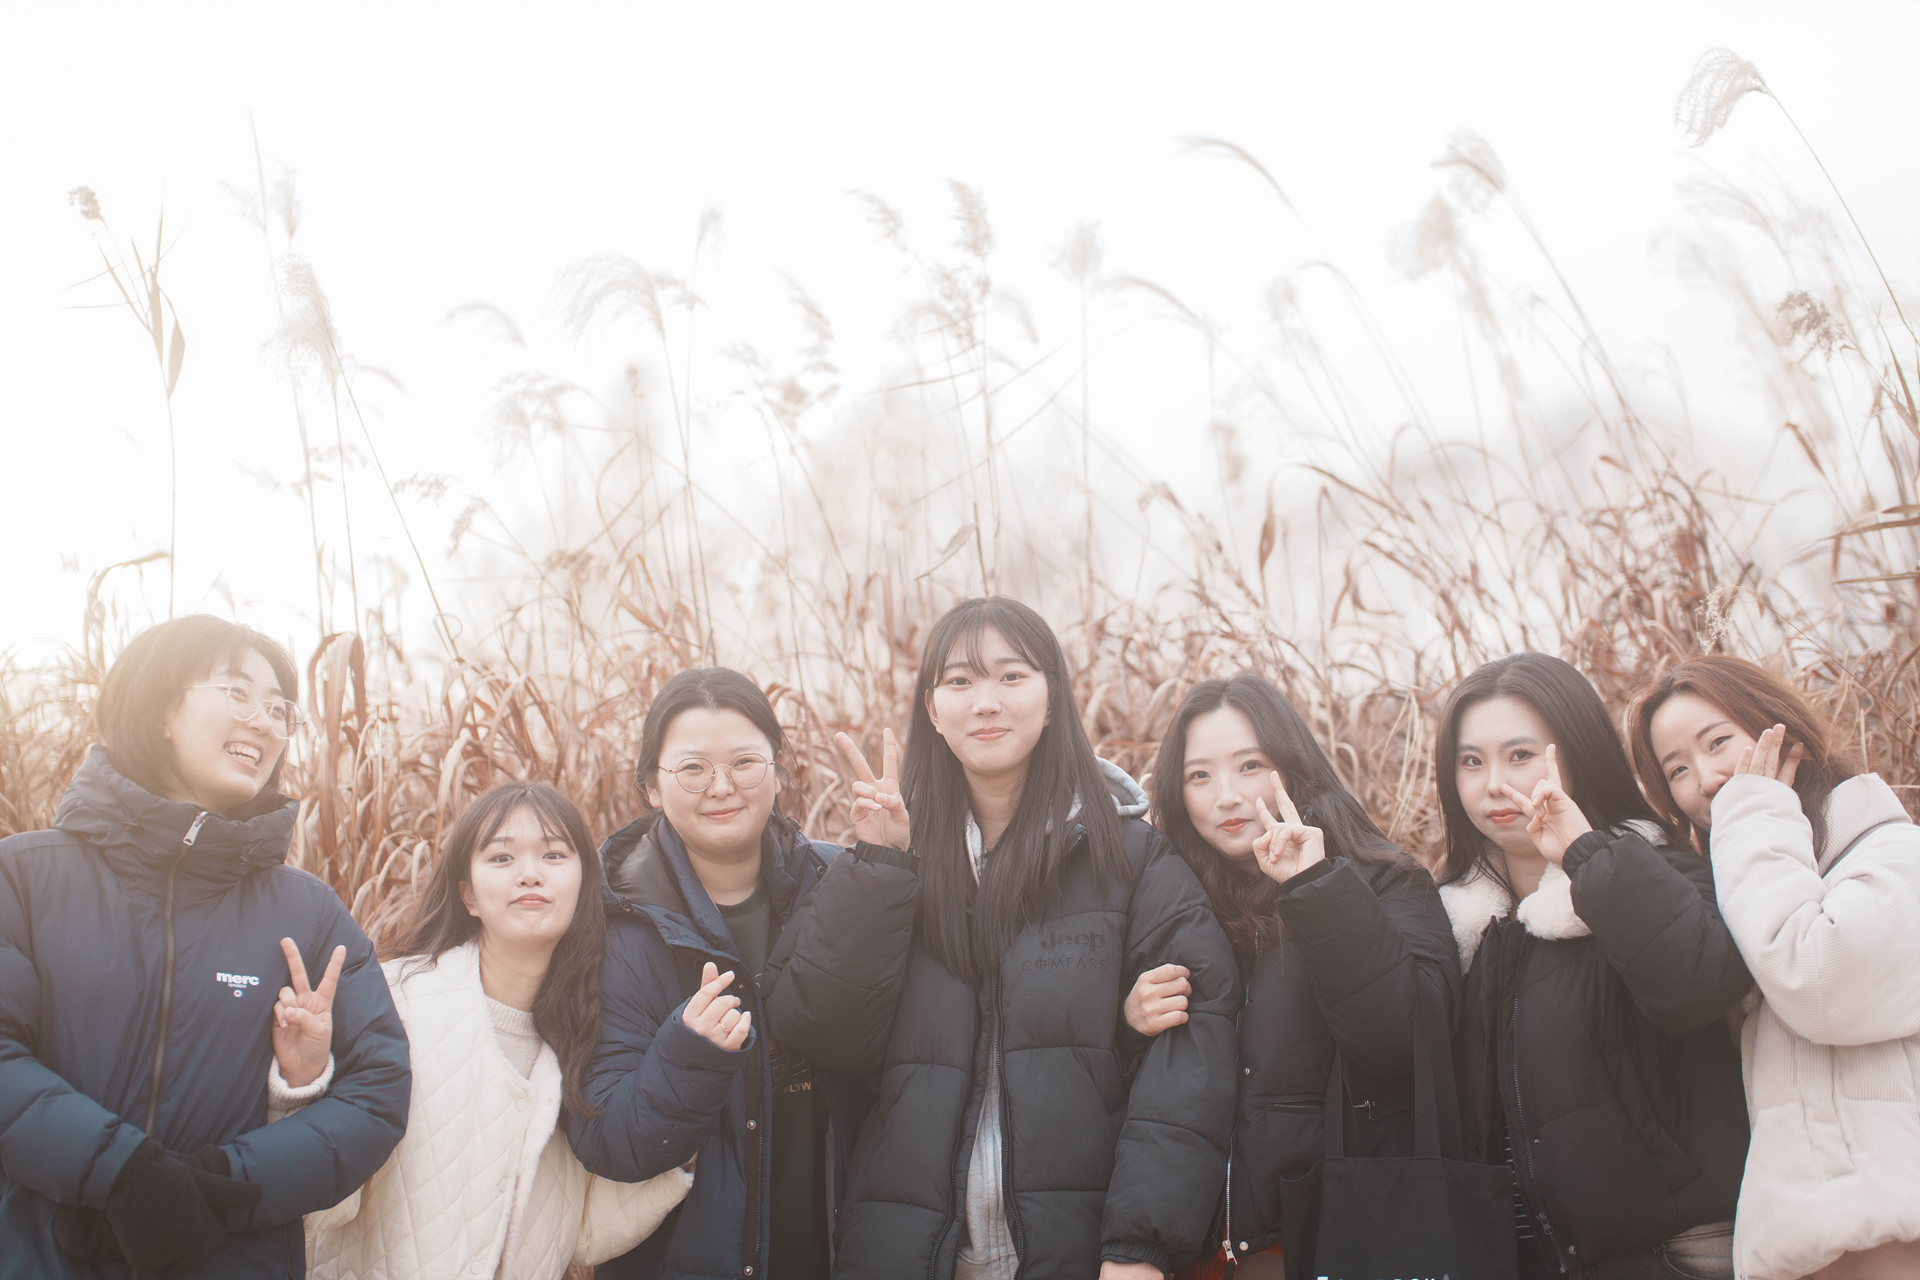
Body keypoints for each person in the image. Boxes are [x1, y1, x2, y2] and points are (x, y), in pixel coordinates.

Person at [763, 595, 1241, 1279]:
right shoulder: (891, 858)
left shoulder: (1132, 859)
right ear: (933, 711)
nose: (986, 702)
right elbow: (819, 1029)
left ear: (1053, 698)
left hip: (1083, 1251)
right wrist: (880, 864)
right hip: (903, 1249)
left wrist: (1140, 1246)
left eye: (1012, 676)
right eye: (960, 681)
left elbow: (1193, 1055)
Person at [0, 614, 410, 1279]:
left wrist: (223, 1184)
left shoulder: (306, 912)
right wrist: (122, 1173)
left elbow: (378, 1089)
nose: (264, 722)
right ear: (161, 708)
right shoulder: (23, 878)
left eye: (278, 709)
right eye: (238, 693)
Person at [1119, 673, 1459, 1278]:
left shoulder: (1387, 881)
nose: (1226, 797)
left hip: (1323, 1242)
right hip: (1191, 1252)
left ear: (1292, 766)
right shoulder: (1166, 903)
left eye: (1249, 766)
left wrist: (1315, 887)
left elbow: (1401, 1044)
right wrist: (1128, 1024)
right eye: (1199, 776)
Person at [1434, 652, 1749, 1280]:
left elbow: (1694, 989)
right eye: (1471, 762)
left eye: (1519, 755)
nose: (1493, 783)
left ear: (1576, 753)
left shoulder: (1661, 872)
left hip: (1679, 1254)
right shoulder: (1461, 930)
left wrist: (1585, 853)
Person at [293, 782, 691, 1279]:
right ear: (468, 895)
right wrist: (306, 1080)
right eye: (502, 858)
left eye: (553, 855)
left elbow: (586, 1230)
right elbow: (321, 1205)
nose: (529, 874)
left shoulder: (595, 1029)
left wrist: (690, 1112)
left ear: (585, 885)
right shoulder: (394, 1003)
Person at [565, 668, 860, 1280]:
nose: (722, 787)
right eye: (693, 769)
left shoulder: (843, 885)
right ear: (651, 786)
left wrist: (890, 862)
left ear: (777, 768)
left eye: (744, 763)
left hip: (840, 1250)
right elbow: (608, 1141)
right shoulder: (610, 921)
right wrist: (687, 1054)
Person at [1633, 655, 1920, 1280]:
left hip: (1897, 1247)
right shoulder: (1750, 894)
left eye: (1718, 742)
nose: (1706, 779)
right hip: (1808, 1255)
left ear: (1783, 731)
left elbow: (1817, 981)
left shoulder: (1894, 854)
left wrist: (1757, 813)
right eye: (1676, 769)